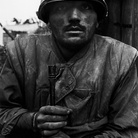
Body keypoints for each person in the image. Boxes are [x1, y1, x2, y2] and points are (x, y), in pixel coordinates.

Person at [0, 0, 138, 138]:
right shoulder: (20, 53)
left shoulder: (122, 59)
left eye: (85, 6)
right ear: (48, 20)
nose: (74, 16)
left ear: (97, 20)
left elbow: (126, 130)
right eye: (61, 8)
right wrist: (32, 120)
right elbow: (3, 112)